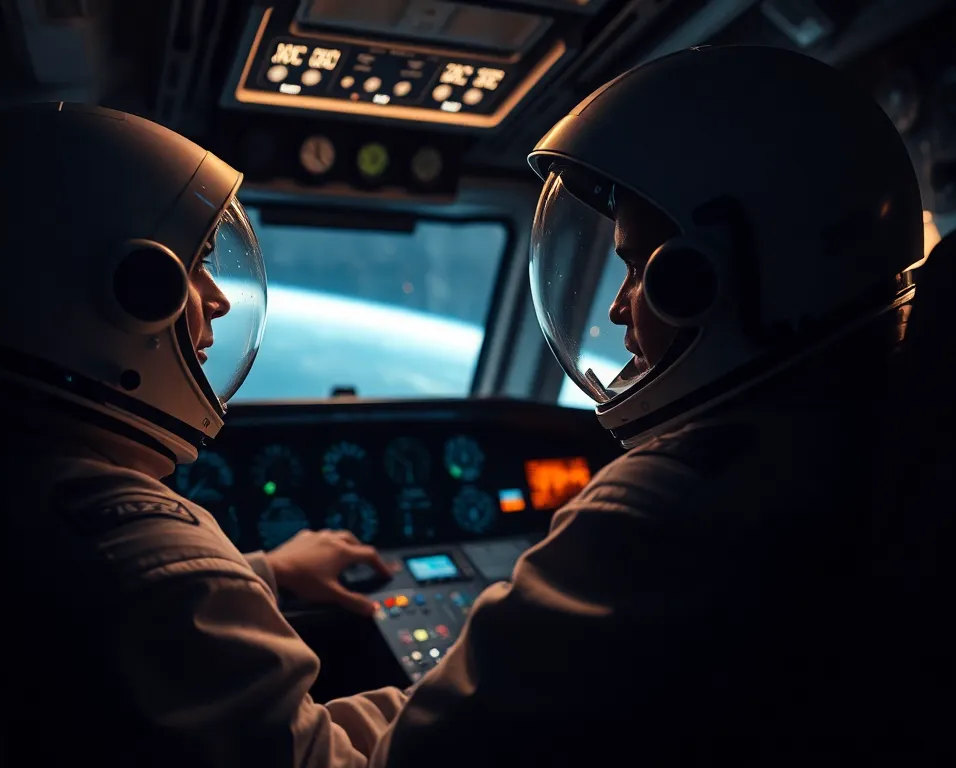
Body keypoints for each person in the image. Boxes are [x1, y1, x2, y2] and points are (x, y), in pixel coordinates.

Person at [373, 45, 923, 765]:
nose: (614, 307)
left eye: (638, 267)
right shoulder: (913, 428)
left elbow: (421, 756)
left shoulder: (664, 508)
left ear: (707, 277)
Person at [0, 102, 405, 766]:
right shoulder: (168, 574)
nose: (220, 300)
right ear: (127, 291)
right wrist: (476, 682)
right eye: (195, 265)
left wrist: (267, 574)